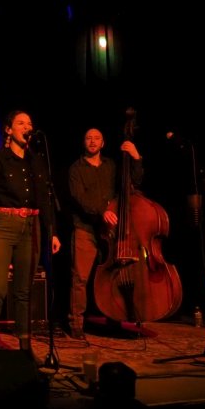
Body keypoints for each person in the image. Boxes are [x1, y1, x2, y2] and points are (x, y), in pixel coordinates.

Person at [0, 110, 60, 353]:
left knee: (24, 291)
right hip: (3, 225)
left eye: (29, 123)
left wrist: (52, 232)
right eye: (21, 123)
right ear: (8, 129)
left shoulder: (36, 161)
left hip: (31, 227)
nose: (27, 127)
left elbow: (45, 199)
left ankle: (25, 349)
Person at [67, 128, 142, 339]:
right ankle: (76, 324)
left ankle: (115, 319)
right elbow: (79, 198)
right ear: (84, 142)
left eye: (97, 138)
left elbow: (134, 182)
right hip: (86, 228)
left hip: (110, 231)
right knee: (80, 278)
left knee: (113, 276)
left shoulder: (112, 166)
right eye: (88, 138)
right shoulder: (76, 168)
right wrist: (103, 211)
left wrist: (136, 157)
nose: (92, 141)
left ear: (103, 143)